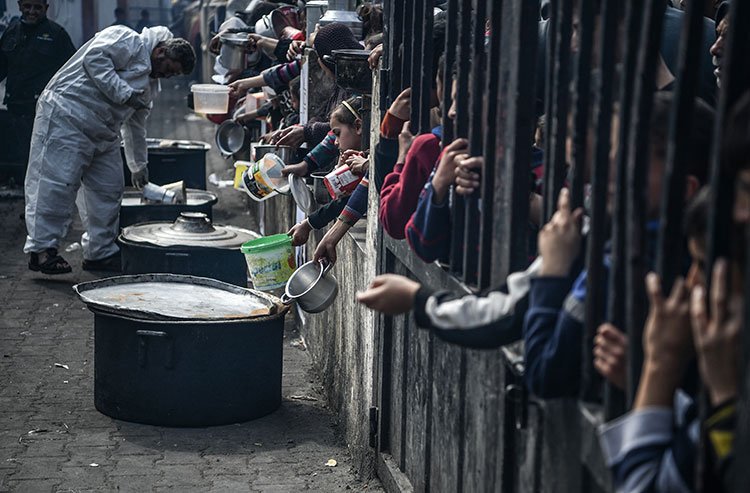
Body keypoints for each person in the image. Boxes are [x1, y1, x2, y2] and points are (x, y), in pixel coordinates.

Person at [23, 26, 195, 275]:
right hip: (67, 115)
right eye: (169, 69)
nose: (166, 77)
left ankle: (99, 253)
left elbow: (136, 127)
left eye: (172, 76)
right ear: (160, 51)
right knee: (56, 184)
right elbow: (95, 59)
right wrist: (125, 94)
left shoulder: (148, 86)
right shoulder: (128, 40)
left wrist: (139, 166)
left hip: (103, 132)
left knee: (108, 190)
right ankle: (41, 251)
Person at [0, 0, 75, 169]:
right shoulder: (11, 33)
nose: (32, 11)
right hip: (15, 109)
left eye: (37, 7)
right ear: (19, 6)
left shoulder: (57, 35)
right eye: (27, 6)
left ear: (46, 9)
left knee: (42, 161)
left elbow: (73, 73)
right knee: (19, 159)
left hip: (45, 112)